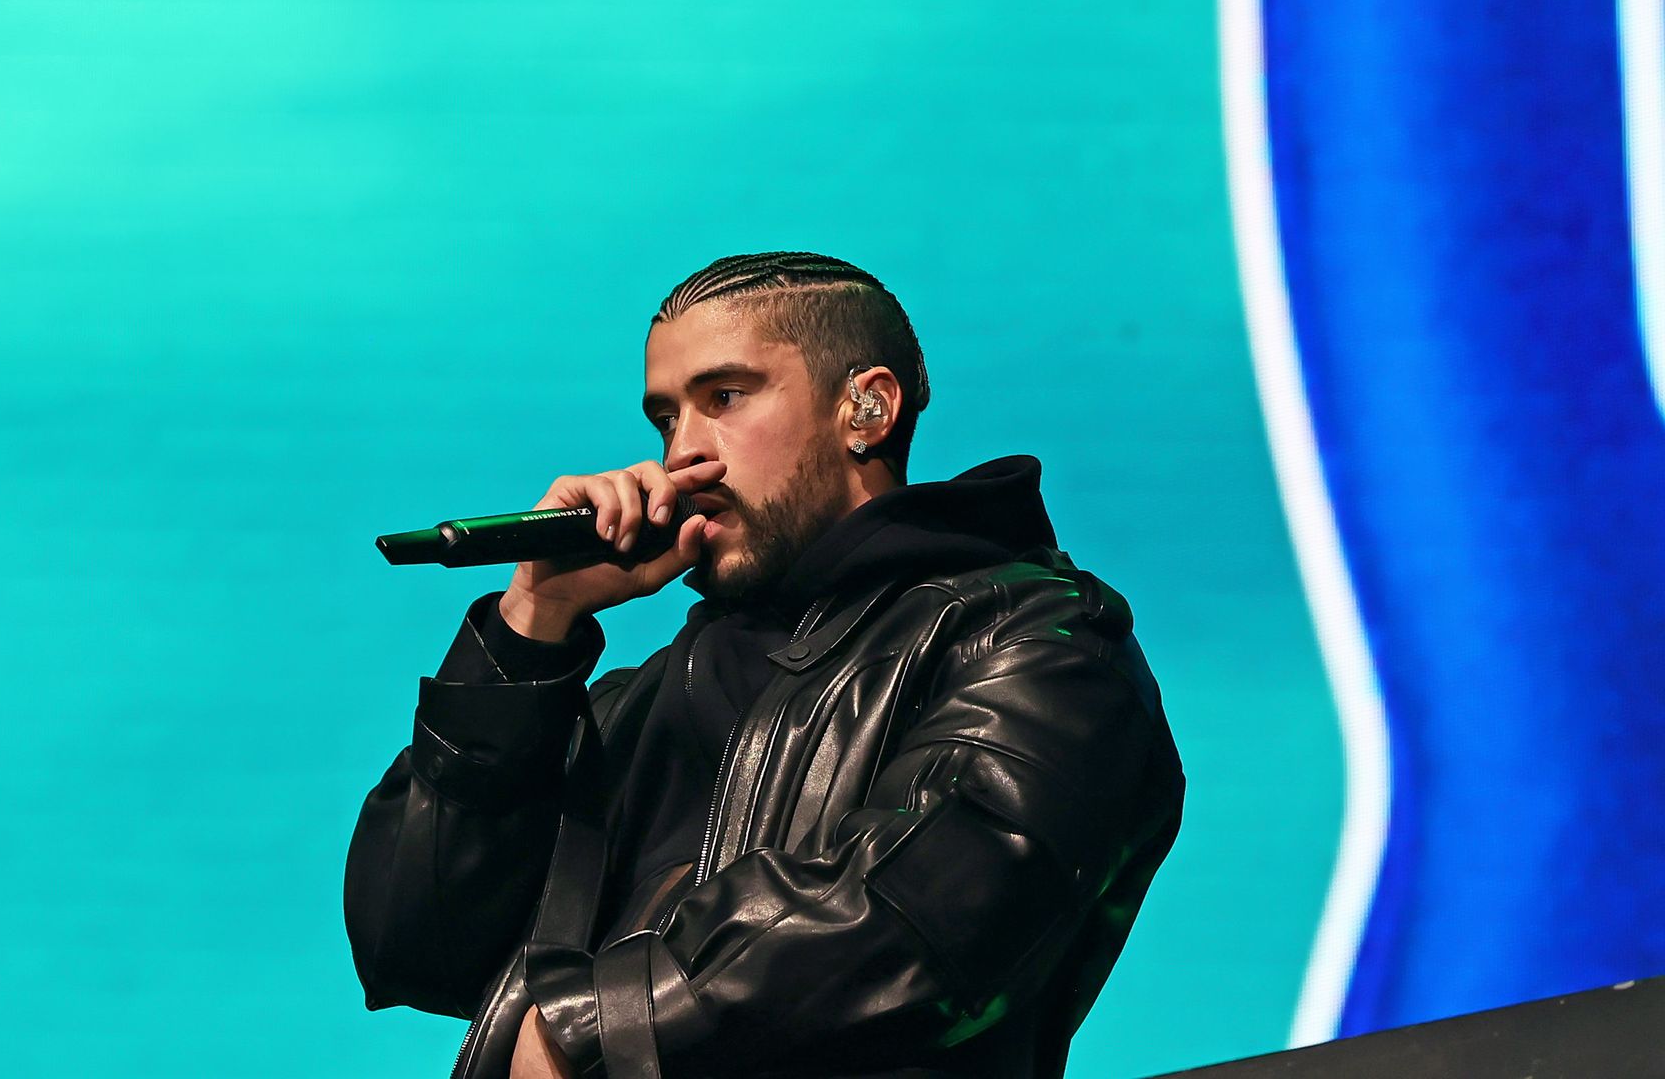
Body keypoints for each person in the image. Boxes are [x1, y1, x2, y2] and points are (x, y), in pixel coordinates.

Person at [344, 252, 1185, 1078]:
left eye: (724, 398)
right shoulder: (635, 704)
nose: (682, 453)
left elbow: (918, 926)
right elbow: (413, 945)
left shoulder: (1041, 640)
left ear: (867, 408)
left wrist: (591, 1031)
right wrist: (533, 622)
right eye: (666, 418)